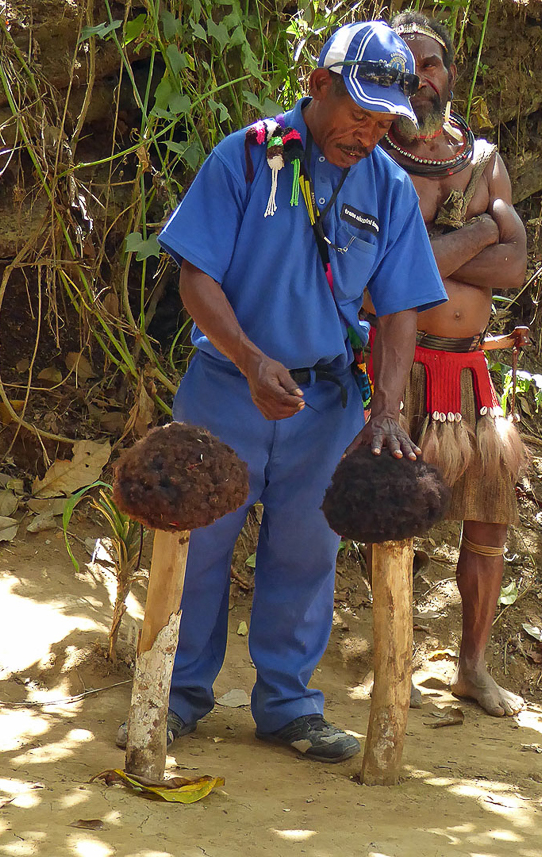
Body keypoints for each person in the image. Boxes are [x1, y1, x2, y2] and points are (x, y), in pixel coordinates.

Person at [117, 21, 447, 763]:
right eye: (357, 114)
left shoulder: (389, 186)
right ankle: (173, 695)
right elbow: (194, 276)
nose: (366, 134)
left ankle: (288, 705)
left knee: (305, 555)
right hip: (226, 390)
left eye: (382, 121)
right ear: (317, 86)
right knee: (194, 547)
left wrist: (386, 412)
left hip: (327, 405)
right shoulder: (244, 156)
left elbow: (400, 310)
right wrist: (247, 355)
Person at [381, 11, 528, 716]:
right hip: (398, 368)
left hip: (470, 375)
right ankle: (392, 663)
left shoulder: (482, 157)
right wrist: (477, 231)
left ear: (449, 70)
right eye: (403, 66)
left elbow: (515, 265)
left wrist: (447, 248)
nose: (419, 79)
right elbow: (398, 271)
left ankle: (471, 666)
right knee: (398, 518)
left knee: (488, 522)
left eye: (429, 64)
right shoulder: (372, 155)